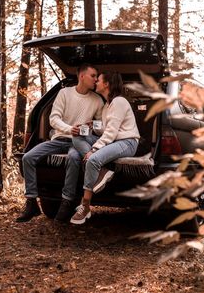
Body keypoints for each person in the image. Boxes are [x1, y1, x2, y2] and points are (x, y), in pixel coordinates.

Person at [16, 63, 104, 223]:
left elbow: (103, 127)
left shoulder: (97, 100)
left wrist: (93, 126)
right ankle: (31, 202)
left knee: (73, 158)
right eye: (93, 75)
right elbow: (53, 118)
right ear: (82, 76)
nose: (96, 79)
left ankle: (66, 202)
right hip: (59, 139)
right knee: (27, 157)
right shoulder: (64, 93)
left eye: (97, 76)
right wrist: (70, 129)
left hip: (79, 143)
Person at [70, 71, 140, 225]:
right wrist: (91, 126)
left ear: (107, 84)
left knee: (93, 160)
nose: (96, 82)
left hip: (127, 142)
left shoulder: (119, 102)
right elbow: (104, 129)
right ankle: (102, 170)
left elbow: (111, 132)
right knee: (77, 135)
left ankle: (86, 206)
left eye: (99, 80)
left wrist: (94, 150)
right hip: (113, 140)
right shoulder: (107, 105)